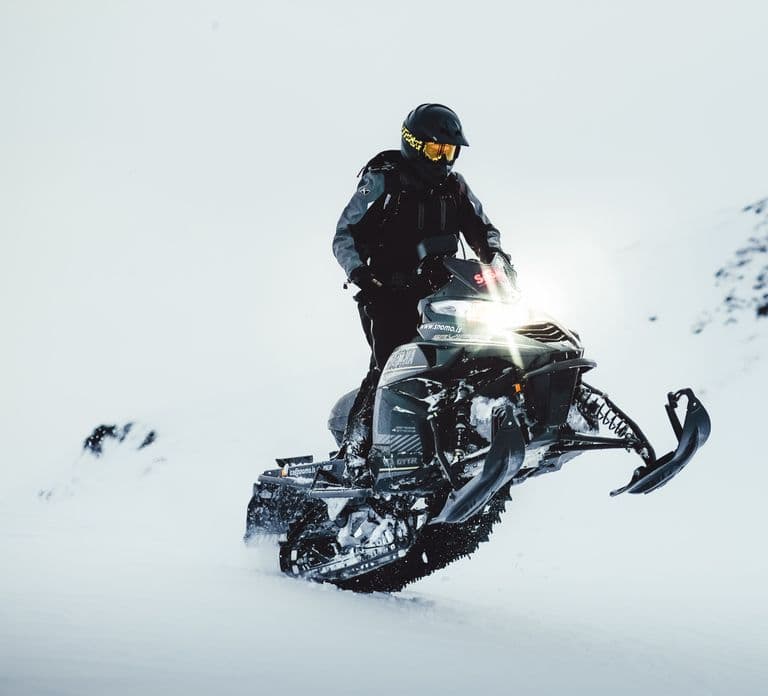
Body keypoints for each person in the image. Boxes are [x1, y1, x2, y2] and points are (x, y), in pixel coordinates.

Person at [332, 103, 509, 486]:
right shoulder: (383, 180)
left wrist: (496, 259)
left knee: (476, 352)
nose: (444, 160)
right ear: (413, 145)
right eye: (436, 150)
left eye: (450, 152)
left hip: (445, 290)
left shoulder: (455, 187)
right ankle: (357, 450)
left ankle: (472, 431)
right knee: (389, 367)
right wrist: (361, 272)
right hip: (388, 294)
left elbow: (482, 228)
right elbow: (344, 234)